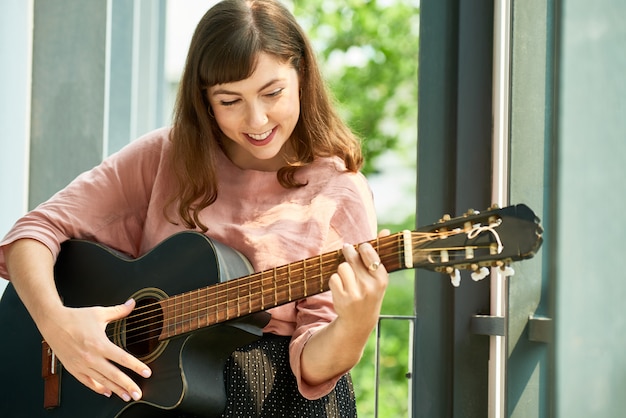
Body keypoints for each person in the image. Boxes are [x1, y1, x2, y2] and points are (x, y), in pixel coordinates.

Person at [0, 0, 388, 416]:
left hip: (275, 400)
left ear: (303, 76)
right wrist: (56, 324)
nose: (256, 119)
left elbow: (314, 367)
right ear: (203, 99)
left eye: (272, 92)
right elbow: (34, 232)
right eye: (229, 100)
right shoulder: (165, 154)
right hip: (147, 399)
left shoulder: (340, 192)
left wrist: (354, 324)